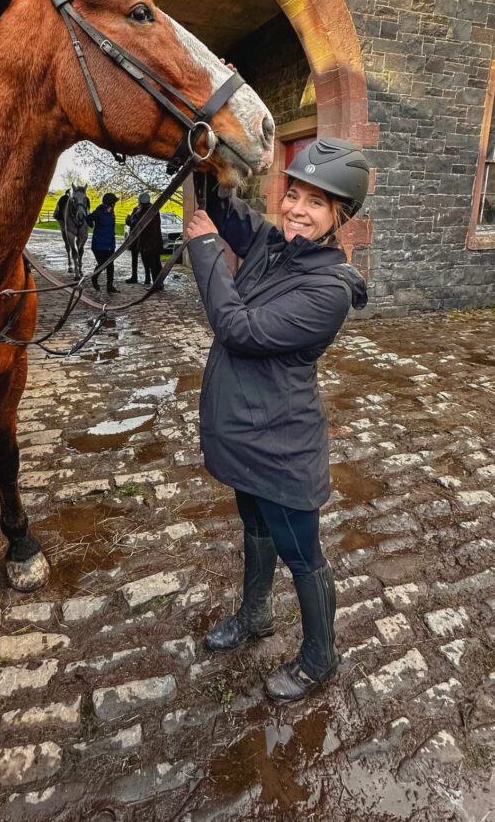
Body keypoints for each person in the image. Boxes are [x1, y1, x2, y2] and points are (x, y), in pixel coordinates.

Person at [186, 138, 370, 704]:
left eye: (316, 202)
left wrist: (206, 251)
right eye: (293, 195)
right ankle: (256, 614)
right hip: (246, 433)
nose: (296, 209)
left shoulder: (327, 291)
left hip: (282, 448)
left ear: (339, 216)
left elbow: (238, 329)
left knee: (302, 556)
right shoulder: (274, 246)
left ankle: (320, 657)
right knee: (256, 528)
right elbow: (223, 207)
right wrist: (212, 151)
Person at [88, 191, 119, 293]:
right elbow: (88, 218)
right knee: (102, 264)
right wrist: (92, 226)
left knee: (110, 265)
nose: (115, 204)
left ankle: (110, 286)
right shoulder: (99, 212)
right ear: (110, 203)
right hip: (99, 244)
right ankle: (94, 278)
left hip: (110, 244)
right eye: (114, 202)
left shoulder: (111, 213)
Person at [133, 191, 164, 289]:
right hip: (156, 243)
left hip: (147, 244)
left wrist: (129, 218)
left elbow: (135, 223)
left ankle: (156, 285)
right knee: (156, 264)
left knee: (152, 265)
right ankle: (159, 283)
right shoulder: (154, 210)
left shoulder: (142, 212)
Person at [124, 202, 143, 284]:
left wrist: (128, 219)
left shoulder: (137, 211)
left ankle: (135, 276)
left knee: (138, 259)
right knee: (142, 259)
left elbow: (133, 223)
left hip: (138, 238)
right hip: (140, 239)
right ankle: (145, 278)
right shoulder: (150, 209)